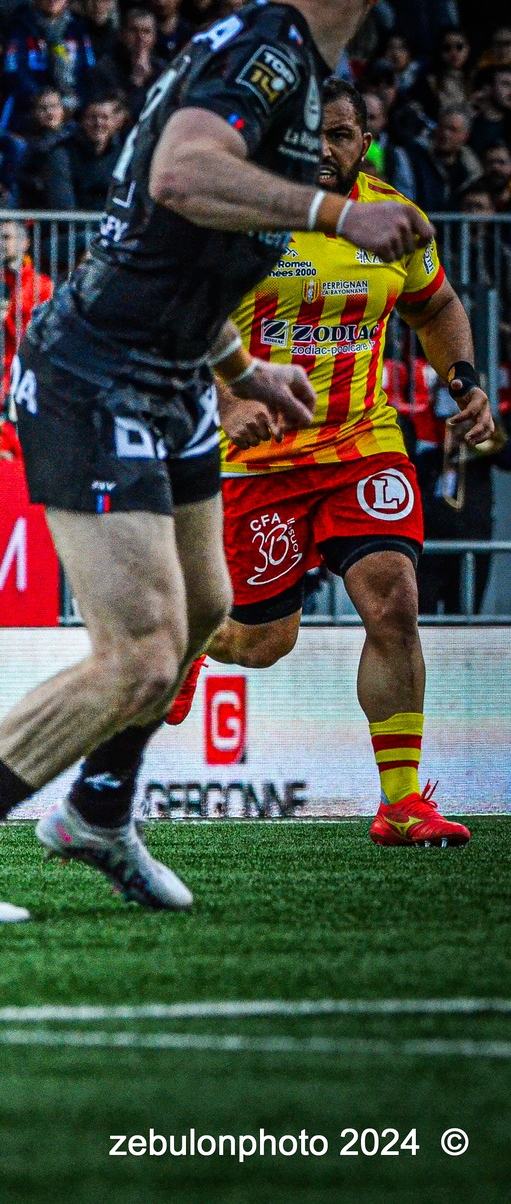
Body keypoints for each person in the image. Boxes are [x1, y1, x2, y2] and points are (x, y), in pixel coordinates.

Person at [0, 0, 418, 924]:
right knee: (138, 653)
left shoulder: (268, 54)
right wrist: (333, 213)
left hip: (171, 374)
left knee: (206, 611)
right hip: (96, 370)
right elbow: (179, 176)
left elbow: (178, 247)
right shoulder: (269, 59)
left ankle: (99, 811)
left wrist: (240, 370)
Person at [165, 79, 491, 848]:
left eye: (340, 135)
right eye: (309, 133)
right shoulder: (242, 215)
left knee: (395, 601)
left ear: (364, 143)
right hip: (258, 460)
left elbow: (435, 305)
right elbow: (184, 320)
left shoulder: (395, 221)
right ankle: (193, 641)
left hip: (361, 445)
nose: (323, 149)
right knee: (263, 644)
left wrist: (464, 381)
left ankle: (402, 802)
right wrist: (226, 401)